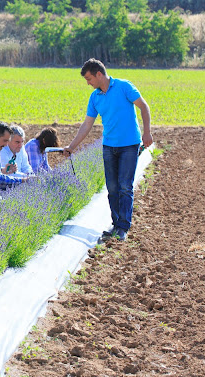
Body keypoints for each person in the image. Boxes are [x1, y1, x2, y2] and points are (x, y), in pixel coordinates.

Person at [63, 58, 152, 241]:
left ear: (99, 74)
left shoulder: (124, 86)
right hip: (109, 146)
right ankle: (116, 224)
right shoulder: (95, 97)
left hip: (129, 144)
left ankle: (123, 228)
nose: (88, 83)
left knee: (125, 186)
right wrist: (71, 147)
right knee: (112, 188)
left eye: (89, 79)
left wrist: (147, 133)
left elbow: (144, 107)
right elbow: (87, 124)